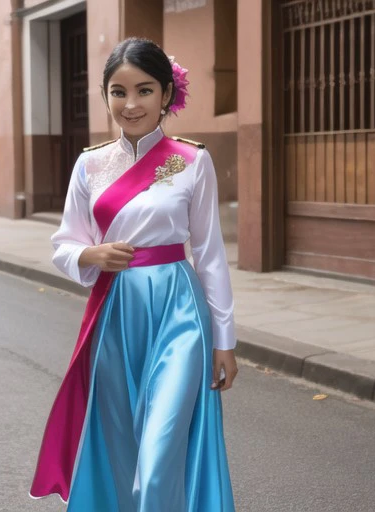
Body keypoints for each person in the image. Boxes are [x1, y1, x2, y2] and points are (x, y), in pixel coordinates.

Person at [29, 37, 238, 512]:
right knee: (122, 446)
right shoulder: (89, 165)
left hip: (179, 312)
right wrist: (91, 256)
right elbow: (64, 243)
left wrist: (224, 339)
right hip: (114, 314)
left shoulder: (190, 161)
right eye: (118, 92)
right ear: (105, 97)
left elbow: (209, 254)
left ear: (166, 94)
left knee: (162, 449)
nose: (131, 103)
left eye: (144, 90)